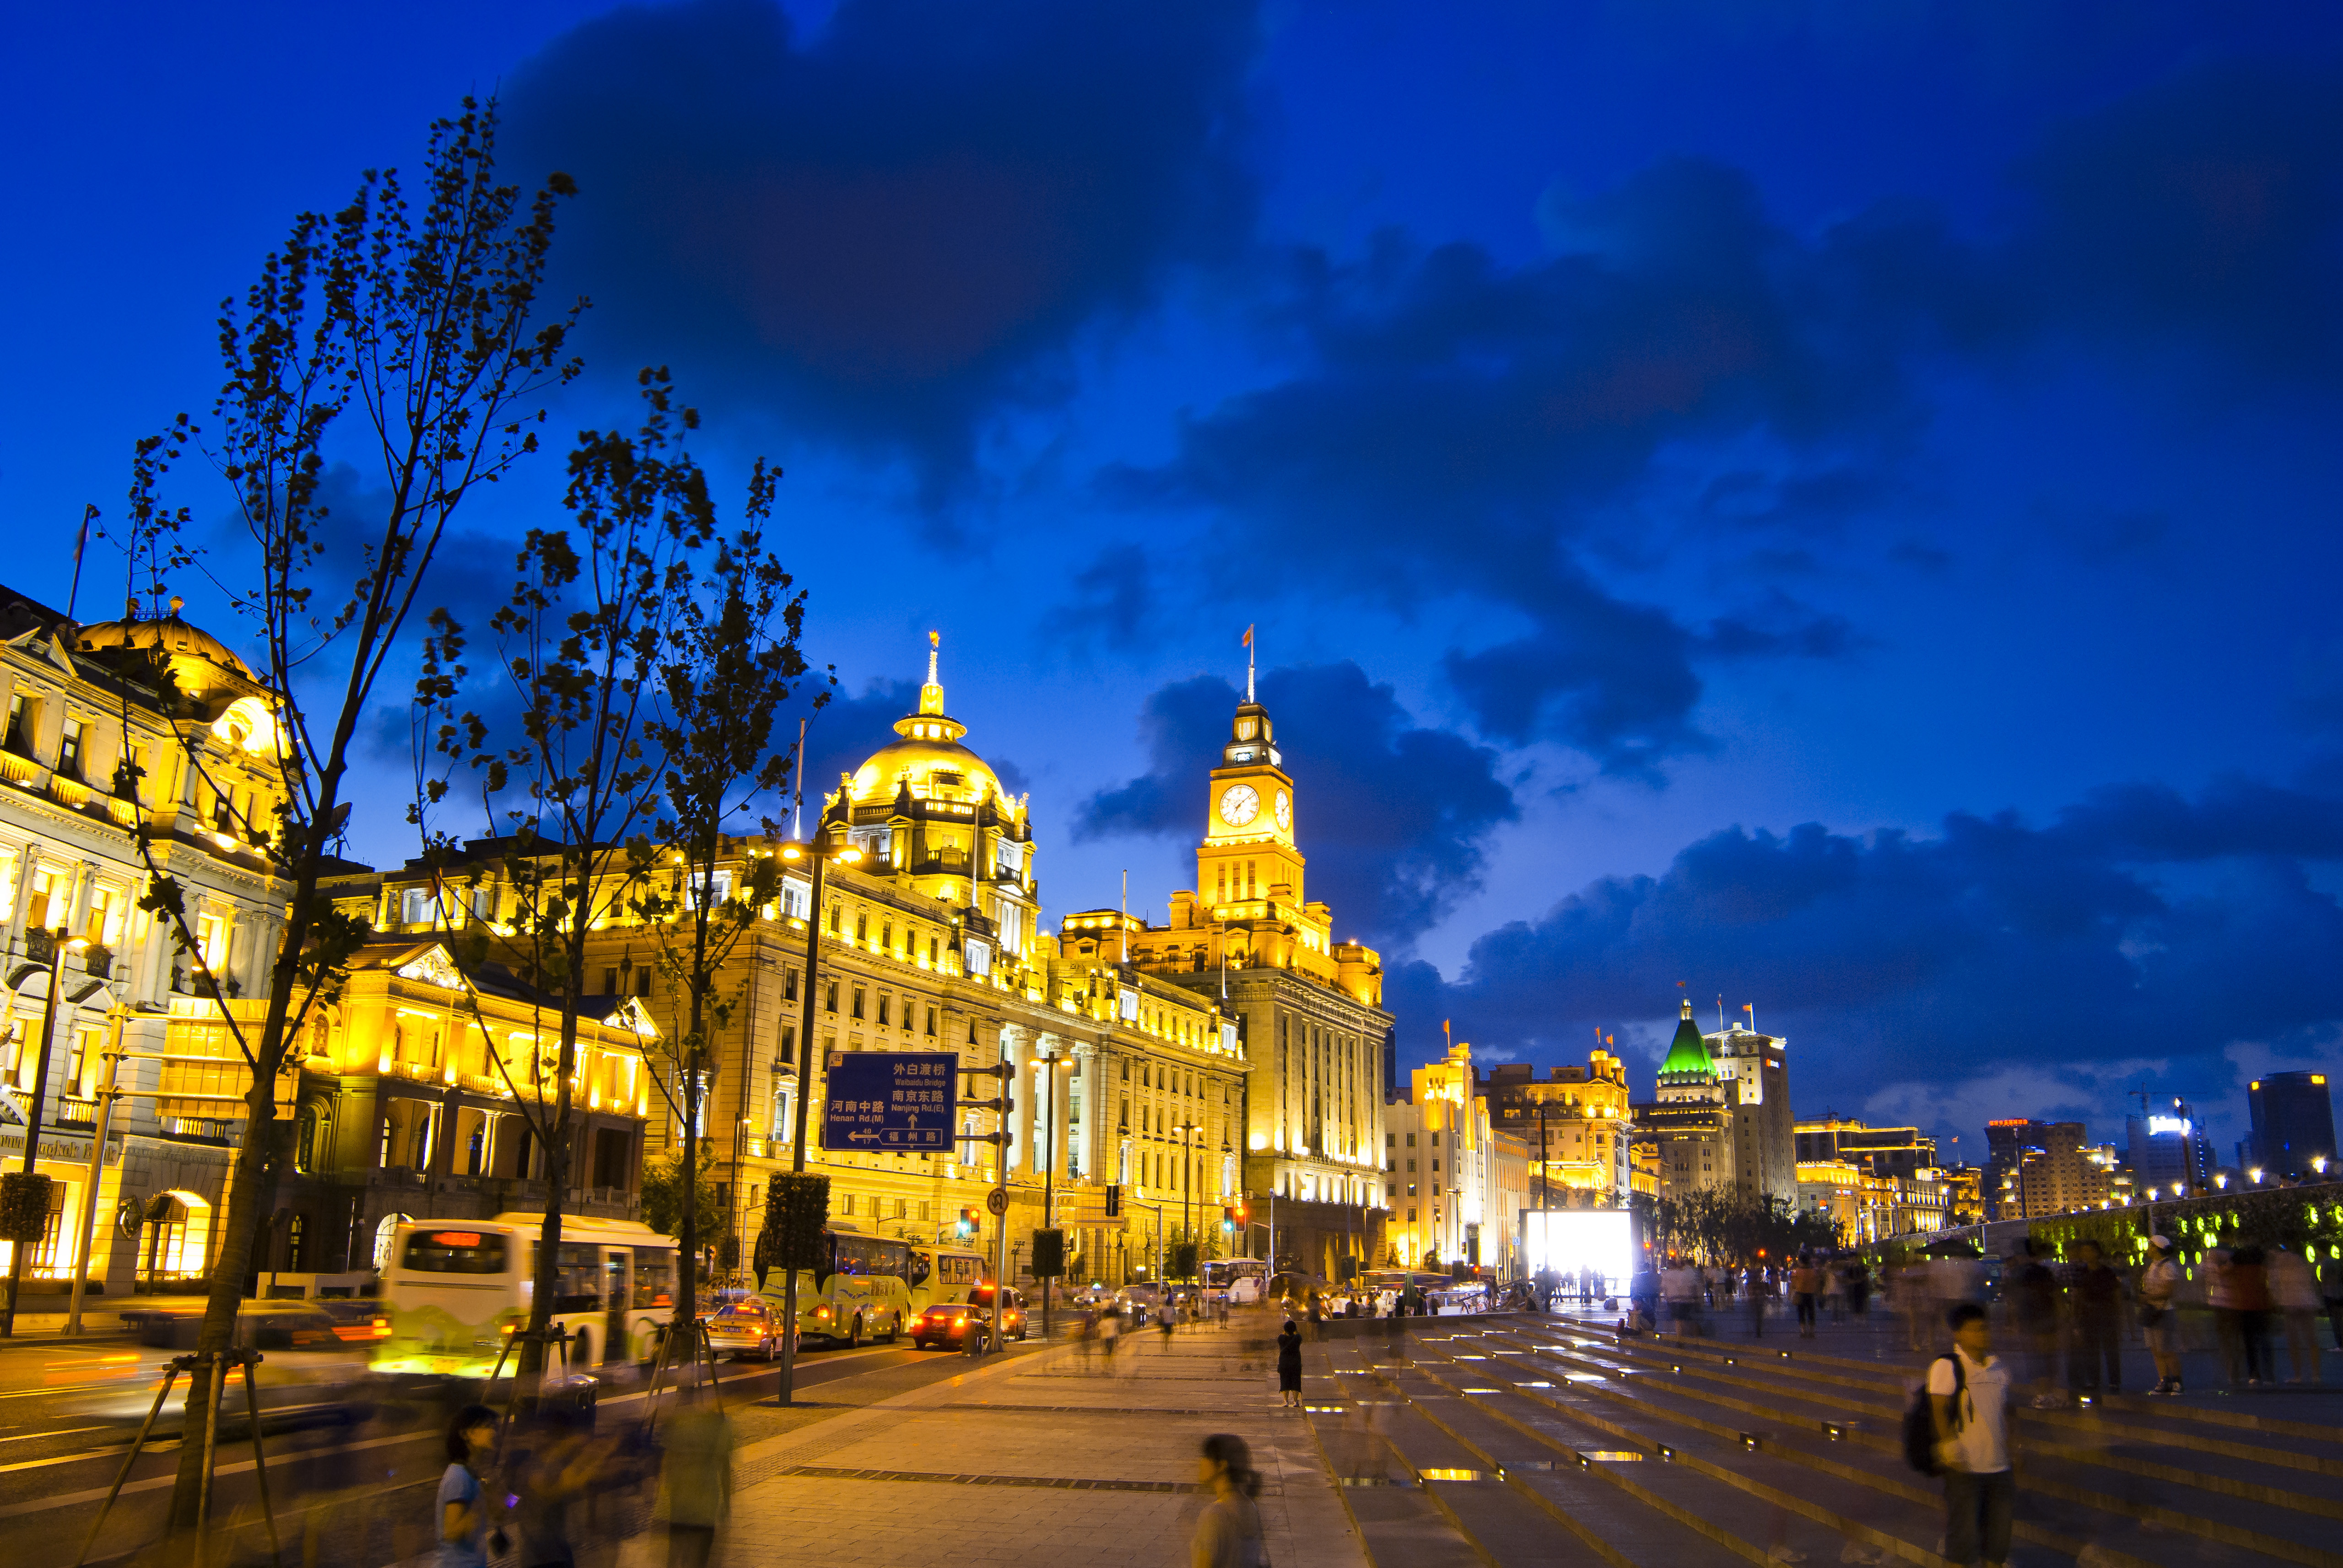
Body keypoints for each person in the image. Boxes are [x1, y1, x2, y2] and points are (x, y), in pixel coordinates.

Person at [1929, 1304, 2014, 1568]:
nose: (1983, 1334)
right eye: (1975, 1329)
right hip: (1965, 1467)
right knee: (1963, 1543)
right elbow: (1939, 1410)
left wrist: (2016, 1449)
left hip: (1999, 1467)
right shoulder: (1947, 1366)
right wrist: (1950, 1447)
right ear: (1958, 1334)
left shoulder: (1999, 1368)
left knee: (1998, 1542)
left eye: (1985, 1328)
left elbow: (2007, 1411)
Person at [660, 1395, 733, 1568]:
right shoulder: (719, 1426)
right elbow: (725, 1468)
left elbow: (667, 1463)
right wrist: (727, 1503)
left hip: (680, 1503)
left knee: (675, 1554)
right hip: (705, 1506)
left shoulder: (677, 1423)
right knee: (700, 1557)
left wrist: (663, 1497)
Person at [437, 1404, 500, 1568]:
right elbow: (451, 1532)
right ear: (467, 1434)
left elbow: (502, 1512)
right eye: (487, 1426)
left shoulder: (470, 1474)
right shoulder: (458, 1476)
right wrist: (478, 1506)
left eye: (494, 1427)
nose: (494, 1432)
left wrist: (512, 1496)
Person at [1191, 1433, 1266, 1568]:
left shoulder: (1214, 1516)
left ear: (1222, 1466)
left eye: (1206, 1456)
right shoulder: (1251, 1508)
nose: (1200, 1462)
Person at [2065, 1240, 2123, 1397]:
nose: (2086, 1254)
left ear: (2097, 1253)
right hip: (2088, 1315)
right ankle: (2093, 1380)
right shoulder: (2082, 1272)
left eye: (2089, 1251)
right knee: (2091, 1350)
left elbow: (2116, 1295)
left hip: (2107, 1314)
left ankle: (2114, 1381)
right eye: (2084, 1251)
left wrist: (2119, 1316)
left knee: (2111, 1350)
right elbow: (2077, 1296)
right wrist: (2075, 1317)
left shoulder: (2107, 1272)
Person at [2008, 1242, 2059, 1408]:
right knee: (2048, 1358)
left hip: (2028, 1320)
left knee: (2034, 1358)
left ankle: (2040, 1395)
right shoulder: (2045, 1272)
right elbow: (2056, 1295)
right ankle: (2049, 1394)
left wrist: (2014, 1322)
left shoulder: (2018, 1274)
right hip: (2047, 1319)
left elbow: (2013, 1301)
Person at [2268, 1244, 2321, 1385]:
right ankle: (2316, 1375)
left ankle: (2298, 1376)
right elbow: (2311, 1281)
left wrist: (2275, 1301)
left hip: (2290, 1302)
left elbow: (2274, 1284)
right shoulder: (2303, 1260)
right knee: (2312, 1340)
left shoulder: (2278, 1261)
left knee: (2293, 1341)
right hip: (2307, 1301)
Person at [2139, 1235, 2185, 1395]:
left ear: (2158, 1248)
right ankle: (2164, 1380)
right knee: (2155, 1349)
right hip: (2151, 1311)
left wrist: (2148, 1297)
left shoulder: (2168, 1267)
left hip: (2163, 1312)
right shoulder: (2152, 1265)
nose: (2148, 1249)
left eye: (2151, 1246)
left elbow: (2169, 1291)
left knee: (2167, 1349)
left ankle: (2177, 1382)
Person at [1276, 1318, 1304, 1408]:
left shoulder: (1281, 1338)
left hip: (1284, 1362)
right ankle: (1295, 1401)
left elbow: (1283, 1335)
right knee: (1296, 1381)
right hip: (1295, 1362)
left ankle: (1286, 1401)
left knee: (1284, 1381)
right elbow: (1298, 1335)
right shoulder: (1298, 1338)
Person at [1792, 1256, 1822, 1338]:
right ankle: (1812, 1332)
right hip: (1810, 1295)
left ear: (1801, 1262)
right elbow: (1817, 1283)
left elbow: (1793, 1285)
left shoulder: (1796, 1271)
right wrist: (1818, 1293)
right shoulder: (1814, 1272)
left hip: (1800, 1294)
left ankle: (1803, 1331)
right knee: (1811, 1313)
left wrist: (1791, 1293)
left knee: (1801, 1313)